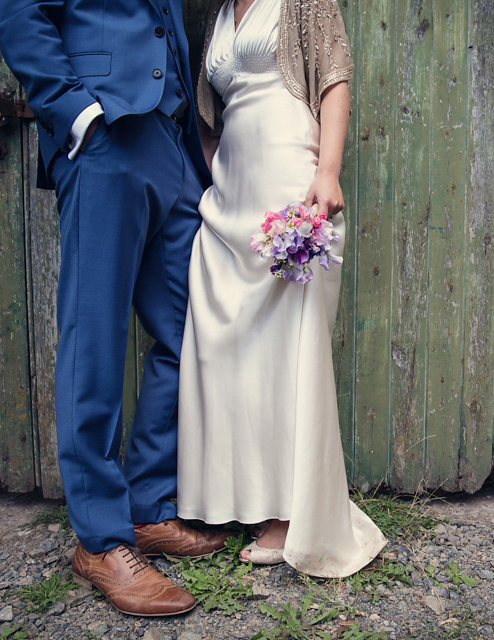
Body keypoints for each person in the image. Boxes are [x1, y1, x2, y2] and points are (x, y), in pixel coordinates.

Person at [0, 0, 231, 617]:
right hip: (106, 143)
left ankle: (148, 505)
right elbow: (20, 15)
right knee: (94, 337)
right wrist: (80, 116)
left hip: (171, 149)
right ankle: (101, 540)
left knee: (191, 330)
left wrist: (191, 155)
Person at [176, 0, 387, 577]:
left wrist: (327, 170)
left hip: (292, 192)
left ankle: (292, 514)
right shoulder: (220, 14)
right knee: (225, 347)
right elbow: (210, 113)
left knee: (286, 354)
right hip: (229, 204)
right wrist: (216, 173)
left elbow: (334, 78)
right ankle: (232, 496)